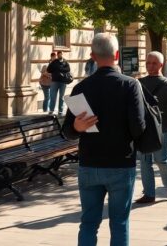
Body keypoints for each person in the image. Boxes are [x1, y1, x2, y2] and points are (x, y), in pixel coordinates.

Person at [61, 33, 146, 246]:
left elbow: (68, 132)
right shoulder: (130, 85)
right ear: (117, 54)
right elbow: (138, 128)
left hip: (90, 163)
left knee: (88, 222)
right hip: (121, 162)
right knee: (119, 222)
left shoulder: (81, 88)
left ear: (92, 56)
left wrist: (76, 127)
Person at [134, 51, 167, 204]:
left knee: (161, 158)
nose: (150, 66)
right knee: (145, 161)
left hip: (162, 128)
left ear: (161, 65)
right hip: (144, 129)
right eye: (148, 63)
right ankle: (149, 193)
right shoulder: (139, 83)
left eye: (154, 63)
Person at [47, 50, 72, 115]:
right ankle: (51, 110)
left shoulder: (65, 62)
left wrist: (59, 68)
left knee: (61, 97)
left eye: (60, 54)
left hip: (63, 82)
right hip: (54, 81)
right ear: (57, 55)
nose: (59, 55)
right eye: (58, 54)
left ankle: (60, 111)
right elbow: (48, 70)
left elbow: (68, 69)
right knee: (53, 96)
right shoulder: (54, 61)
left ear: (62, 54)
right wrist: (51, 63)